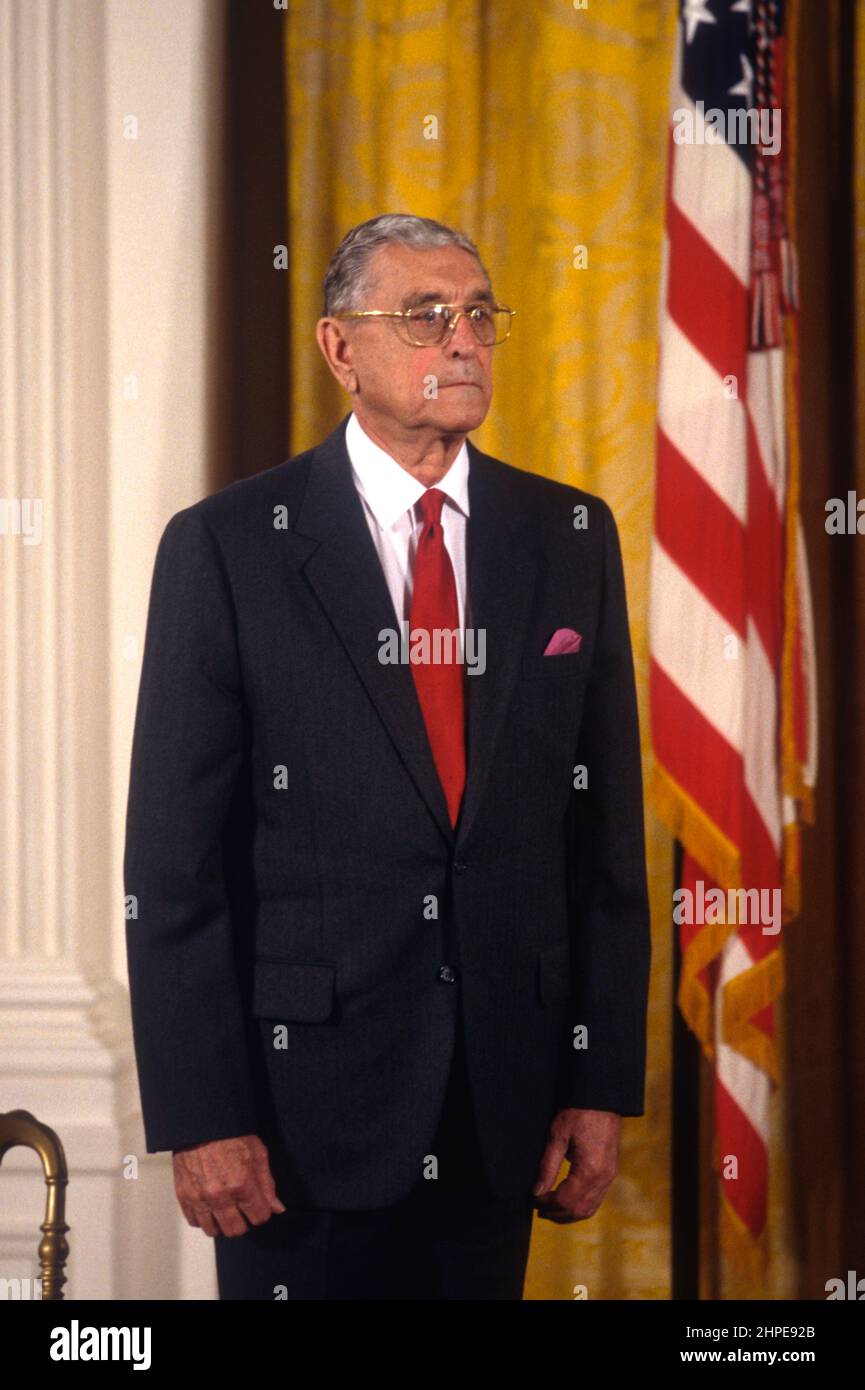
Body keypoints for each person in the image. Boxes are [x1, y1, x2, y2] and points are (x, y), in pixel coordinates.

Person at [123, 212, 651, 1301]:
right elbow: (173, 873)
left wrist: (598, 1083)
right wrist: (205, 1113)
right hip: (295, 1123)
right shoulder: (226, 547)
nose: (462, 341)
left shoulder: (569, 537)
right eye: (424, 317)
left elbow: (603, 845)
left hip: (502, 1110)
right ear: (338, 349)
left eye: (477, 315)